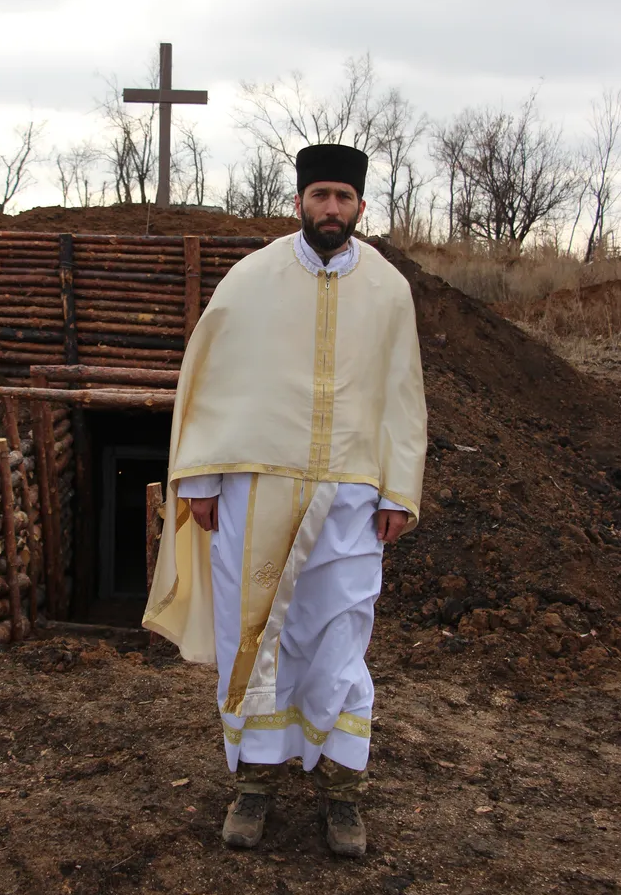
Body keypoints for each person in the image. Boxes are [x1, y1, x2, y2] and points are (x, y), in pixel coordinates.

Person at [143, 143, 427, 857]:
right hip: (255, 488)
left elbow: (404, 395)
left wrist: (399, 488)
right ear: (299, 200)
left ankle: (342, 794)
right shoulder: (251, 279)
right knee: (257, 637)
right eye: (321, 195)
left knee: (339, 637)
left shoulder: (390, 289)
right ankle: (255, 787)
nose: (332, 208)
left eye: (344, 198)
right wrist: (204, 478)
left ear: (362, 205)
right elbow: (213, 376)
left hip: (354, 496)